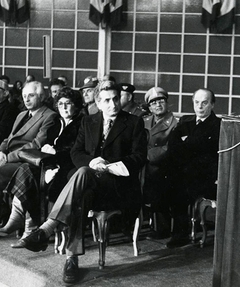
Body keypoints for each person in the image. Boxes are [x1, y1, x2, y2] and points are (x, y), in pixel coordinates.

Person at [21, 81, 147, 283]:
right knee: (82, 193)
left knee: (82, 174)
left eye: (115, 99)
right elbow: (75, 152)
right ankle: (72, 260)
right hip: (90, 184)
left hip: (117, 184)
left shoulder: (133, 122)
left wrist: (108, 165)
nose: (113, 104)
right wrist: (93, 162)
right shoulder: (88, 121)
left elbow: (139, 156)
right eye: (107, 100)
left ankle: (48, 227)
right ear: (98, 101)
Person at [0, 81, 58, 242]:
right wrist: (2, 150)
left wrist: (8, 157)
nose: (27, 99)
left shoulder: (49, 116)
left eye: (31, 95)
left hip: (24, 162)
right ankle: (0, 213)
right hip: (7, 157)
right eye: (24, 96)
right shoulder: (22, 114)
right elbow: (8, 138)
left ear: (42, 97)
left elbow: (36, 145)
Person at [0, 87, 84, 248]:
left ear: (76, 105)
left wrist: (54, 153)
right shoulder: (57, 122)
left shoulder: (82, 122)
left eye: (68, 104)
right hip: (48, 161)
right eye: (61, 103)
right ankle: (20, 220)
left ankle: (28, 228)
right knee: (25, 170)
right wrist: (48, 150)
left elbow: (76, 150)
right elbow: (46, 142)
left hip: (67, 164)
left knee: (32, 176)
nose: (63, 107)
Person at [165, 88, 221, 248]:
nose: (200, 107)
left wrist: (187, 142)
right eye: (197, 102)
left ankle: (180, 233)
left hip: (205, 176)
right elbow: (173, 147)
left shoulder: (217, 125)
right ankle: (167, 228)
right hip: (183, 172)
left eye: (205, 103)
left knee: (179, 186)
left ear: (212, 104)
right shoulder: (185, 122)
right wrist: (190, 144)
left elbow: (208, 153)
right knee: (165, 180)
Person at [142, 87, 178, 239]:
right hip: (145, 163)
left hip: (163, 165)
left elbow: (170, 147)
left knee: (157, 182)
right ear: (149, 107)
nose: (158, 105)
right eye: (154, 102)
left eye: (161, 101)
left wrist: (147, 155)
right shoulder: (145, 121)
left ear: (167, 103)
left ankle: (161, 228)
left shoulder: (175, 123)